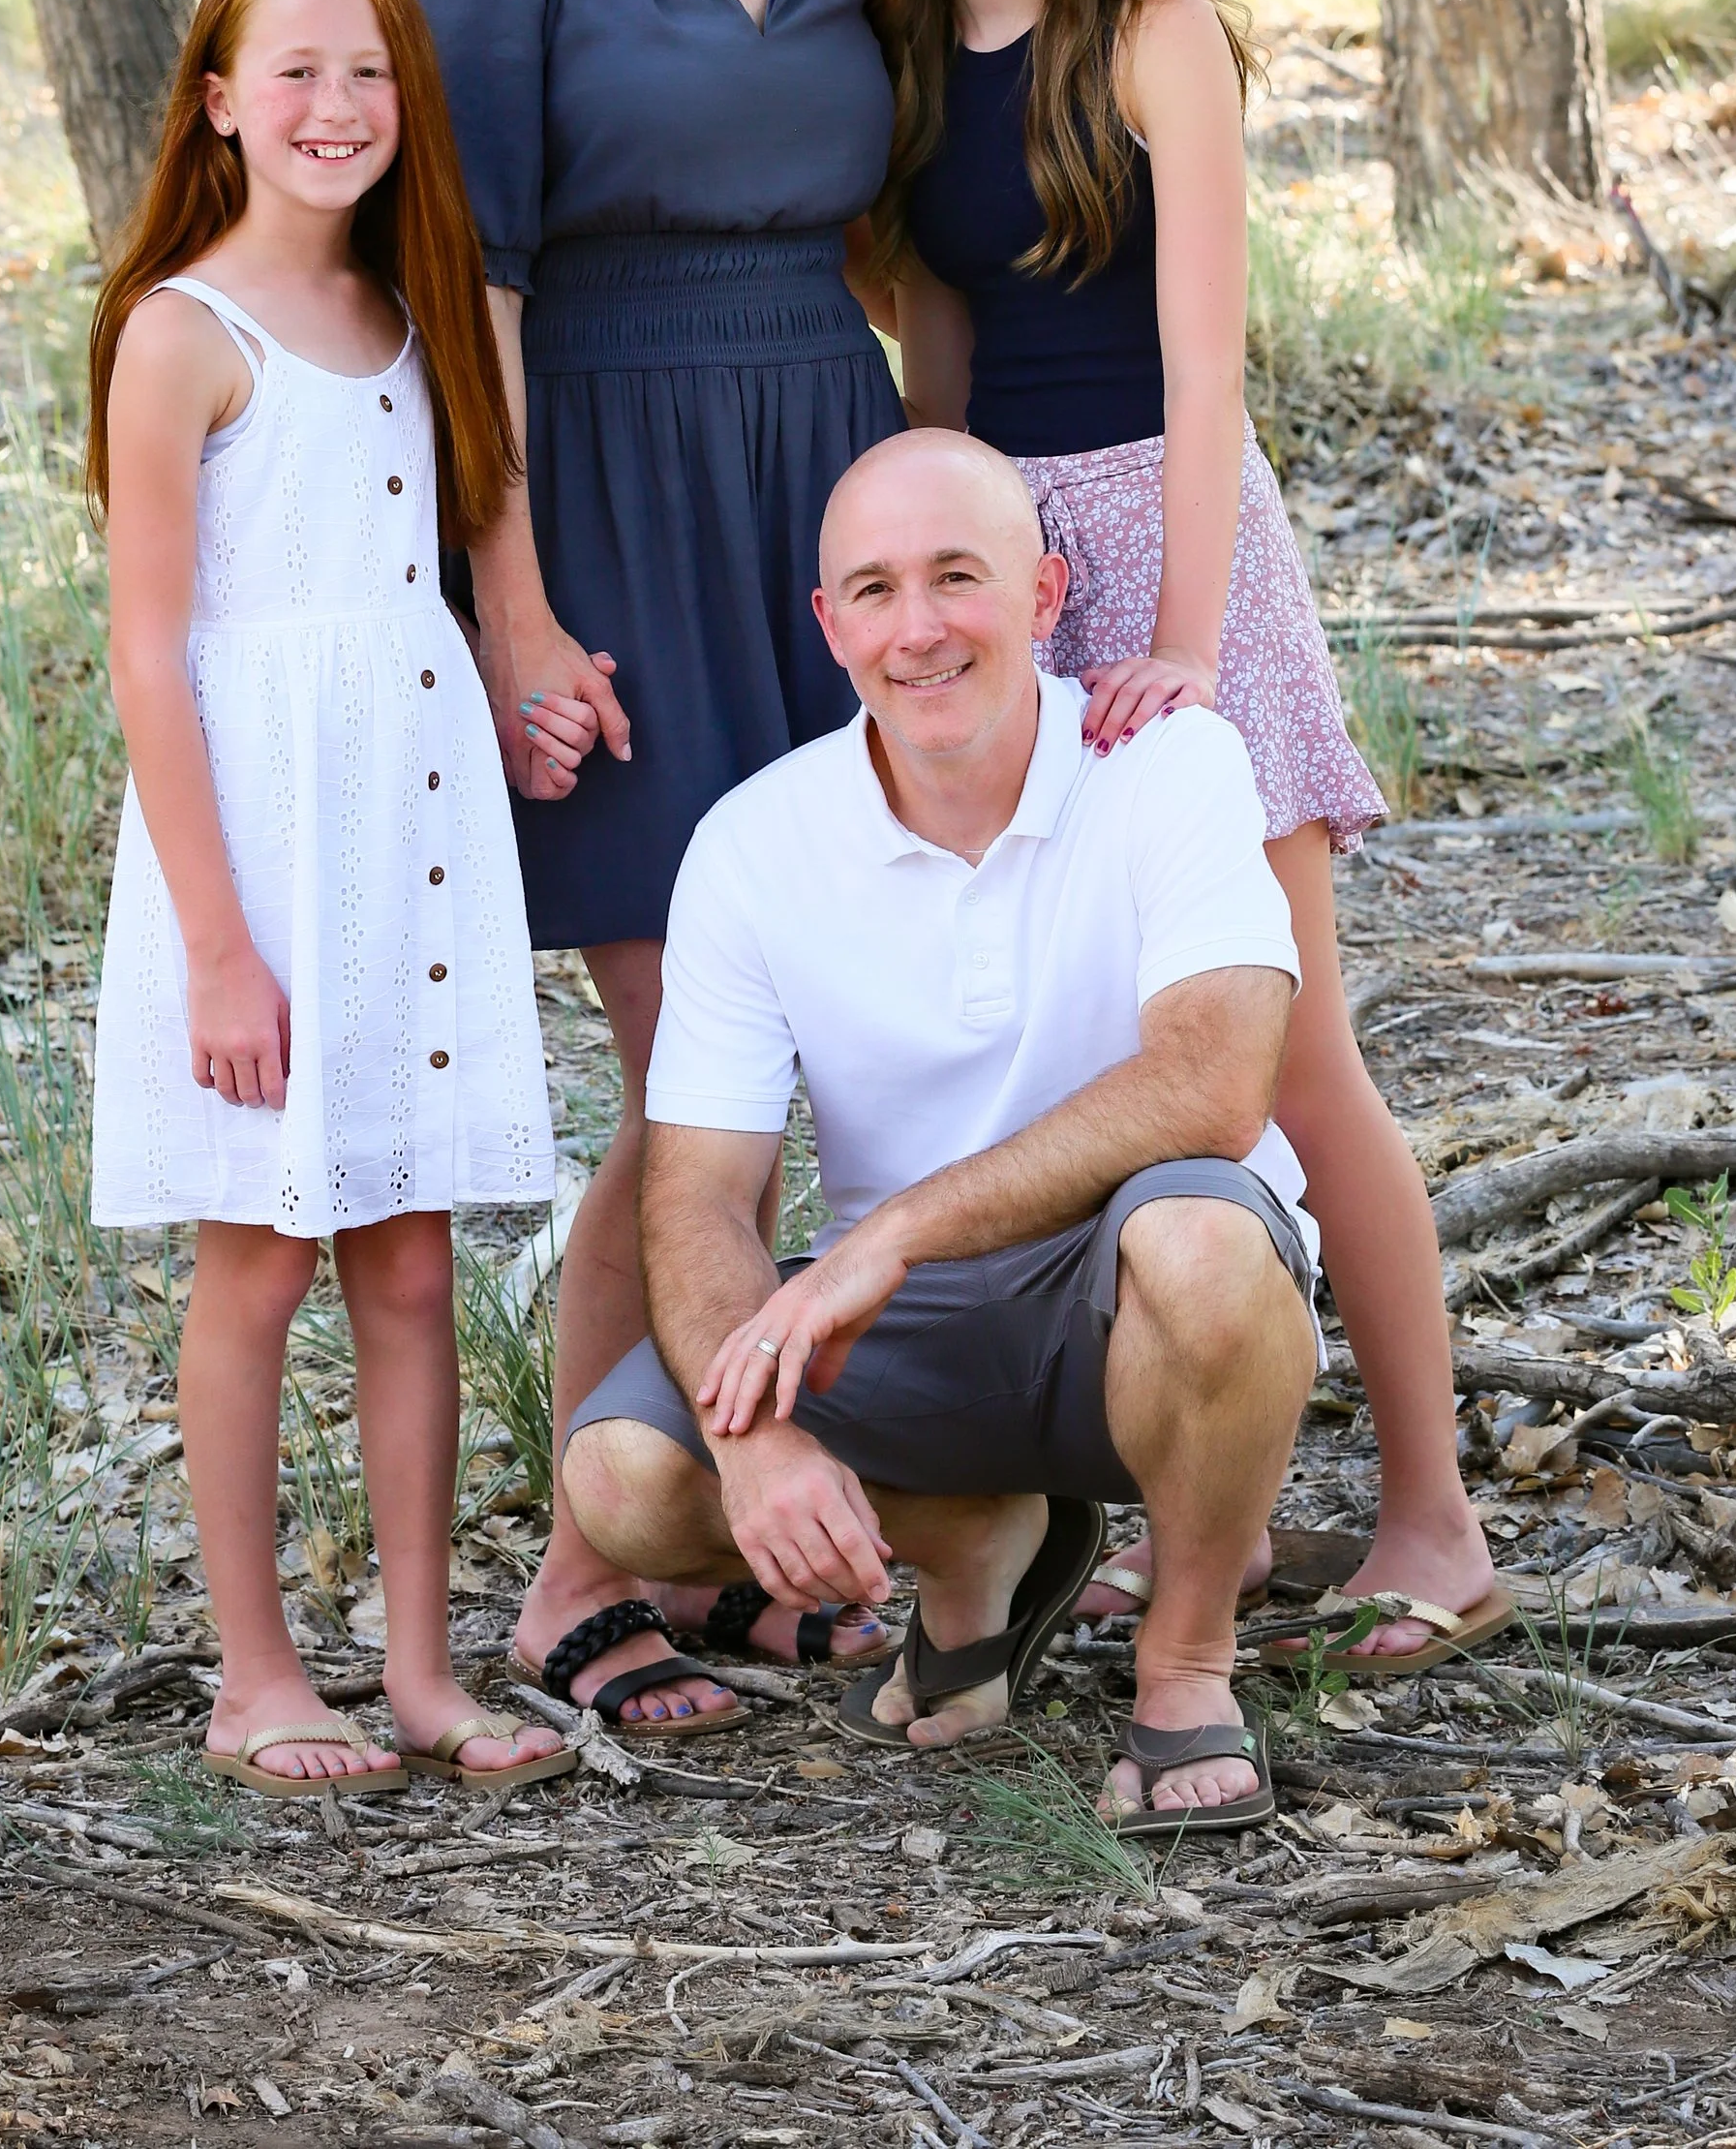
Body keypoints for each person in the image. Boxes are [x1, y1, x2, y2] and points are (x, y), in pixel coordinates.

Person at [846, 0, 1508, 1677]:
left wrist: (1181, 647)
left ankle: (1430, 1514)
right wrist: (952, 584)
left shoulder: (1153, 33)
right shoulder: (899, 59)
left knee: (1285, 1050)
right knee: (1084, 1062)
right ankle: (1172, 1489)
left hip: (1168, 545)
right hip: (1004, 568)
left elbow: (1205, 364)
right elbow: (944, 366)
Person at [410, 0, 904, 1733]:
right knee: (677, 1079)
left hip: (821, 484)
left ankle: (712, 1531)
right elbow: (467, 273)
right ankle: (565, 1581)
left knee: (823, 1049)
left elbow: (906, 238)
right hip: (598, 490)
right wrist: (509, 601)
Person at [563, 429, 1320, 1830]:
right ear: (830, 623)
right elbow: (697, 1200)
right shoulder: (753, 840)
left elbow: (1217, 1087)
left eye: (958, 577)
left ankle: (1186, 1664)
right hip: (903, 1330)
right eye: (875, 589)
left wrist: (898, 1227)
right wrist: (760, 1441)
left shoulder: (1169, 763)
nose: (919, 628)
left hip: (1127, 1303)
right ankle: (980, 1544)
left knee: (1204, 1231)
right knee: (625, 1476)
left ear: (1045, 594)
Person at [87, 0, 567, 1797]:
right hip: (257, 854)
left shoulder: (417, 308)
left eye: (367, 72)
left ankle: (427, 1669)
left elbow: (429, 577)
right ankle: (254, 1669)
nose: (333, 106)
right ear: (218, 100)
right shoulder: (183, 336)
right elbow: (149, 651)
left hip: (408, 838)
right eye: (291, 70)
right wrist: (217, 945)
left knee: (412, 1262)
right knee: (257, 1264)